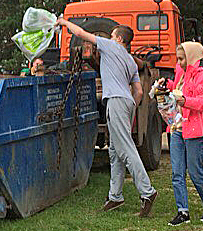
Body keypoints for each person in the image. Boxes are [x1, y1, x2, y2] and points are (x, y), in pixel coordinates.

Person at [56, 18, 158, 217]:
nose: (108, 37)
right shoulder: (130, 60)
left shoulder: (111, 46)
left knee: (125, 149)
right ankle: (115, 196)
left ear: (118, 39)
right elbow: (138, 92)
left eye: (111, 35)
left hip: (116, 101)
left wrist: (64, 23)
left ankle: (148, 192)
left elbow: (81, 34)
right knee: (115, 151)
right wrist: (130, 108)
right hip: (127, 102)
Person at [159, 42, 203, 226]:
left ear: (192, 57)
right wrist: (167, 85)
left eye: (181, 58)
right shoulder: (182, 72)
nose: (179, 62)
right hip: (177, 127)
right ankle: (182, 211)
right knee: (177, 172)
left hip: (196, 130)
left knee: (195, 171)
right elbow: (178, 87)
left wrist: (184, 101)